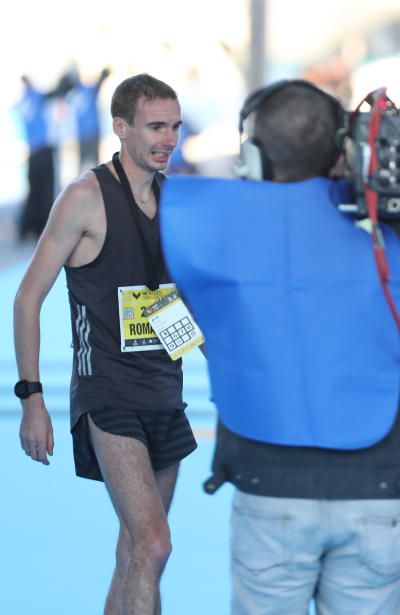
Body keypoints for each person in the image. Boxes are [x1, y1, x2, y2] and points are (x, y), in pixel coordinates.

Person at [164, 80, 400, 614]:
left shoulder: (210, 227)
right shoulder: (386, 231)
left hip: (268, 484)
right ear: (342, 151)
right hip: (378, 487)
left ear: (252, 156)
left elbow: (178, 312)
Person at [13, 73, 193, 615]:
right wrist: (32, 400)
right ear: (120, 127)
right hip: (107, 395)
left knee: (135, 550)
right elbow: (26, 298)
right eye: (156, 126)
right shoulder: (83, 200)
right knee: (154, 543)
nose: (169, 138)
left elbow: (177, 303)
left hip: (166, 388)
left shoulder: (176, 199)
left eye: (176, 126)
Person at [16, 73, 72, 241]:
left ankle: (26, 228)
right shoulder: (36, 96)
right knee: (46, 191)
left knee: (33, 192)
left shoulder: (23, 102)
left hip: (32, 153)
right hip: (44, 151)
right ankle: (43, 227)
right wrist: (66, 84)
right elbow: (54, 93)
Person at [70, 66, 112, 173]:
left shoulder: (88, 90)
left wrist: (103, 75)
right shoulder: (73, 93)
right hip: (82, 134)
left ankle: (99, 185)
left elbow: (98, 84)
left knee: (94, 162)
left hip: (92, 132)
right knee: (82, 163)